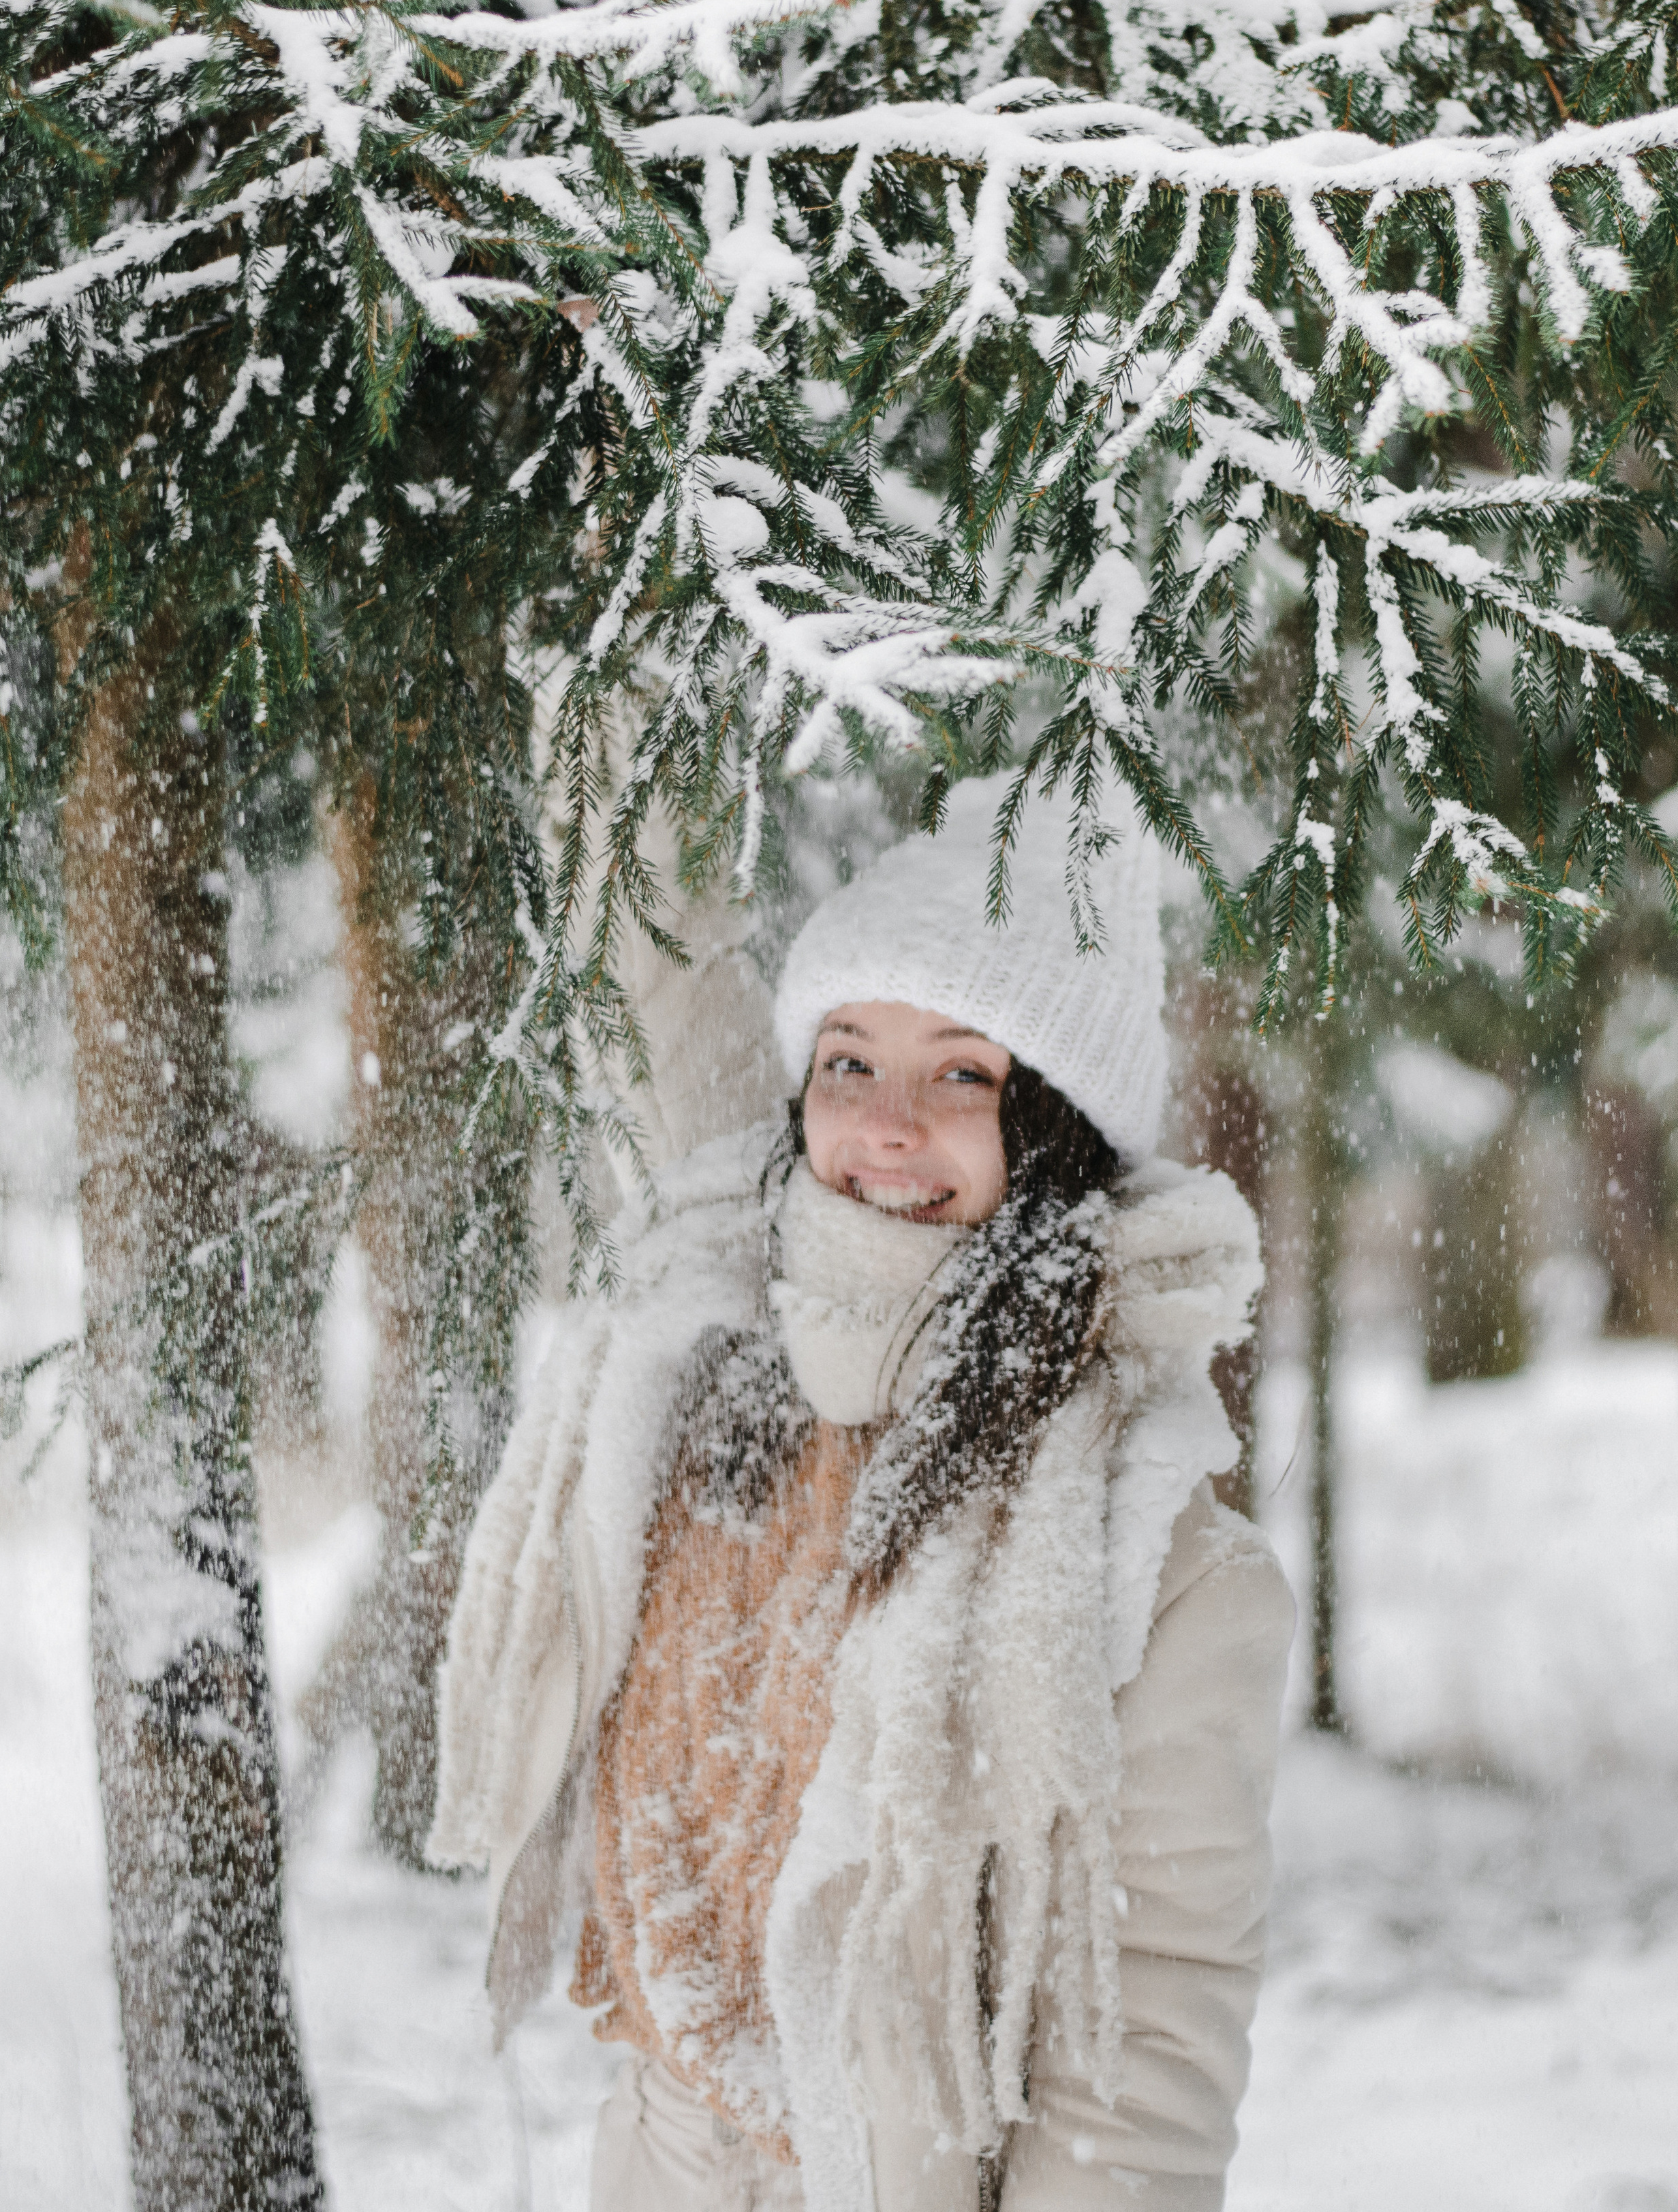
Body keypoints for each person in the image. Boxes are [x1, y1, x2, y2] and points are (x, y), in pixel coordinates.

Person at [430, 783, 1295, 2211]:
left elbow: (1136, 2057)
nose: (885, 1128)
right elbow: (649, 965)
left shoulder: (1157, 1562)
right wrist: (653, 641)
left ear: (1058, 1132)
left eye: (962, 1076)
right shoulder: (713, 1352)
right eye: (846, 1062)